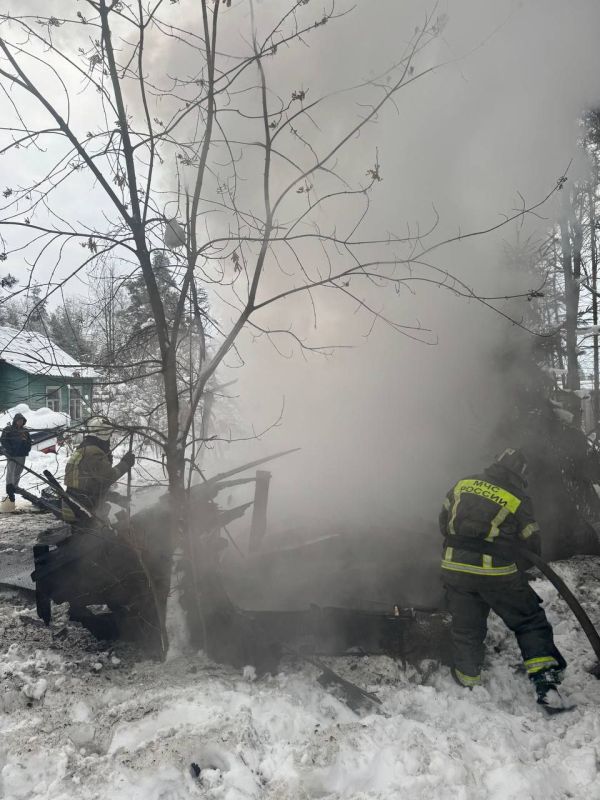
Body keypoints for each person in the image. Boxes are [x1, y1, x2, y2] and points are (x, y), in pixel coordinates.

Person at [439, 448, 566, 708]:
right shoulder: (517, 497)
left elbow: (443, 521)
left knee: (466, 627)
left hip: (455, 568)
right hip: (495, 572)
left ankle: (468, 679)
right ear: (520, 474)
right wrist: (515, 566)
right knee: (529, 620)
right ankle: (545, 682)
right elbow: (532, 543)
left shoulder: (463, 483)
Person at [62, 416, 135, 525]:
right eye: (109, 436)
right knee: (106, 534)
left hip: (75, 504)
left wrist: (118, 499)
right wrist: (125, 464)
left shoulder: (84, 449)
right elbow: (107, 478)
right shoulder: (93, 453)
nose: (109, 440)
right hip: (82, 511)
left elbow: (92, 486)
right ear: (104, 437)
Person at [0, 412, 32, 511]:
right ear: (15, 421)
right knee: (11, 471)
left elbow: (29, 442)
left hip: (21, 455)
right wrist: (9, 450)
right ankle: (10, 488)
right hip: (12, 455)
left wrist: (26, 448)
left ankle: (15, 486)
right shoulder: (8, 429)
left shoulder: (25, 431)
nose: (20, 422)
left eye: (22, 421)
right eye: (19, 420)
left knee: (18, 472)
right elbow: (3, 440)